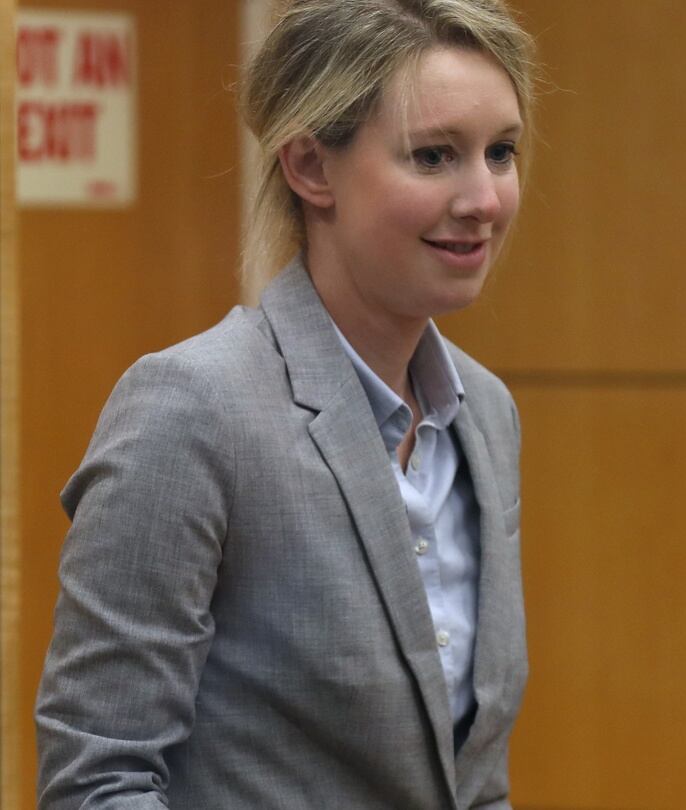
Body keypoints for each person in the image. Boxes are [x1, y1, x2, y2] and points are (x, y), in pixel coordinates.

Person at [35, 1, 535, 807]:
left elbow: (470, 781)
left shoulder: (487, 413)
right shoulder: (193, 410)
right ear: (310, 167)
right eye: (434, 156)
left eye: (501, 152)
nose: (484, 198)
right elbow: (99, 779)